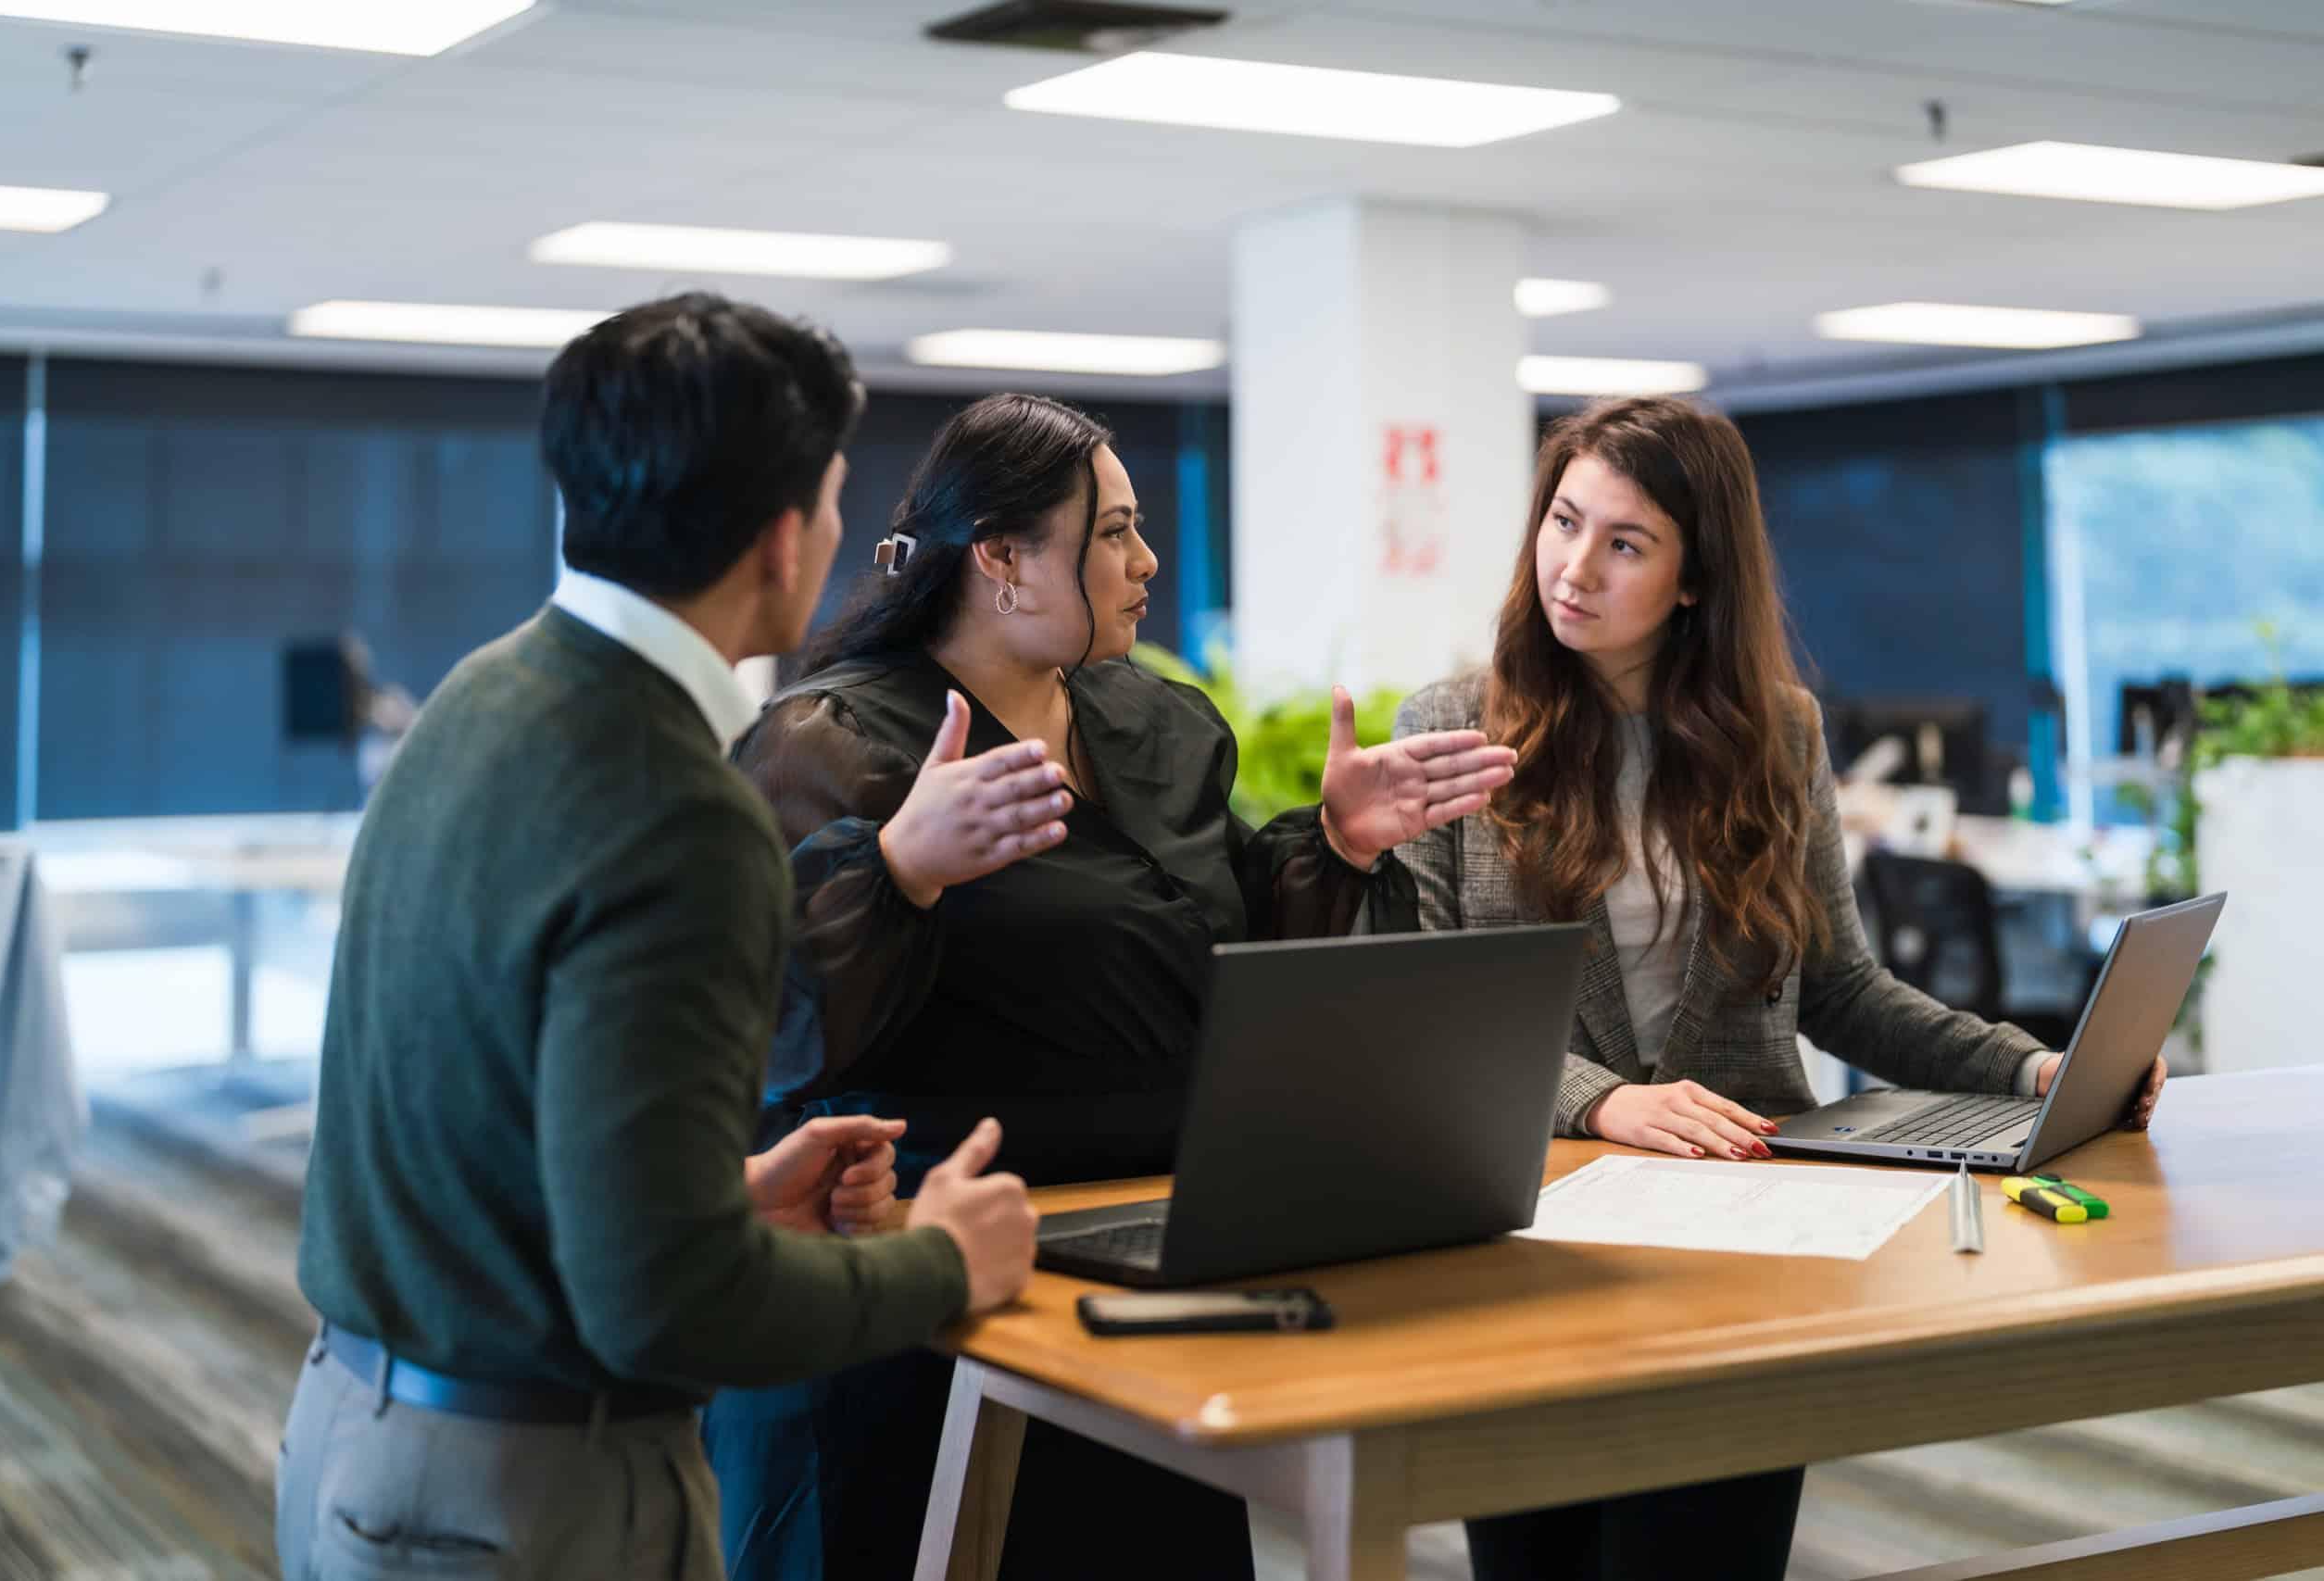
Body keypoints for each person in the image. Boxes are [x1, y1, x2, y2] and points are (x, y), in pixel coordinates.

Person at [278, 295, 1050, 1581]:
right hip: (523, 1492)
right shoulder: (682, 811)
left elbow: (494, 1136)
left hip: (358, 1433)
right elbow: (667, 1303)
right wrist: (938, 1262)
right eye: (843, 499)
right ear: (783, 537)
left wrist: (717, 1197)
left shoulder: (481, 693)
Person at [703, 391, 1515, 1581]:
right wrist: (896, 870)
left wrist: (1336, 842)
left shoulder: (1160, 723)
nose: (1146, 565)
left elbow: (1213, 944)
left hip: (1148, 1266)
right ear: (1001, 559)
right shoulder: (832, 744)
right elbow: (759, 1032)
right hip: (932, 1284)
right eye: (1115, 534)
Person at [1388, 395, 2167, 1581]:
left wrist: (2031, 1071)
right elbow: (1434, 1013)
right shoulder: (1451, 726)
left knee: (1704, 1555)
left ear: (1695, 578)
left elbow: (1840, 989)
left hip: (1751, 1233)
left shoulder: (1777, 735)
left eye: (1625, 542)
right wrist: (1602, 1101)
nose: (1573, 566)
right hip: (1542, 1227)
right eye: (1562, 521)